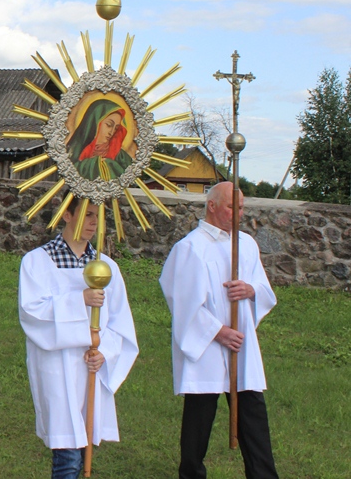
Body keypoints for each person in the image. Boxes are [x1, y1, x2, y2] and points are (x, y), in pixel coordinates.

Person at [159, 182, 279, 479]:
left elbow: (264, 289)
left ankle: (263, 474)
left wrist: (250, 290)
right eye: (231, 207)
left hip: (241, 343)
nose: (238, 213)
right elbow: (181, 301)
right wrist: (217, 331)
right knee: (199, 415)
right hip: (208, 345)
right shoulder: (190, 247)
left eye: (241, 208)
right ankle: (191, 473)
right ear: (211, 206)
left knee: (252, 412)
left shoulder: (247, 244)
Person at [18, 200, 138, 479]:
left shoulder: (106, 268)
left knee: (85, 447)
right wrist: (78, 300)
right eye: (87, 215)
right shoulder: (38, 261)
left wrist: (104, 351)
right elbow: (31, 313)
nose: (94, 222)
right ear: (67, 215)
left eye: (98, 216)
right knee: (68, 456)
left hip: (90, 369)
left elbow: (121, 322)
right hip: (57, 367)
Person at [66, 98, 134, 181]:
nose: (112, 132)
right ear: (95, 122)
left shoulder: (121, 157)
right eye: (109, 125)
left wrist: (108, 164)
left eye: (116, 128)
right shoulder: (73, 151)